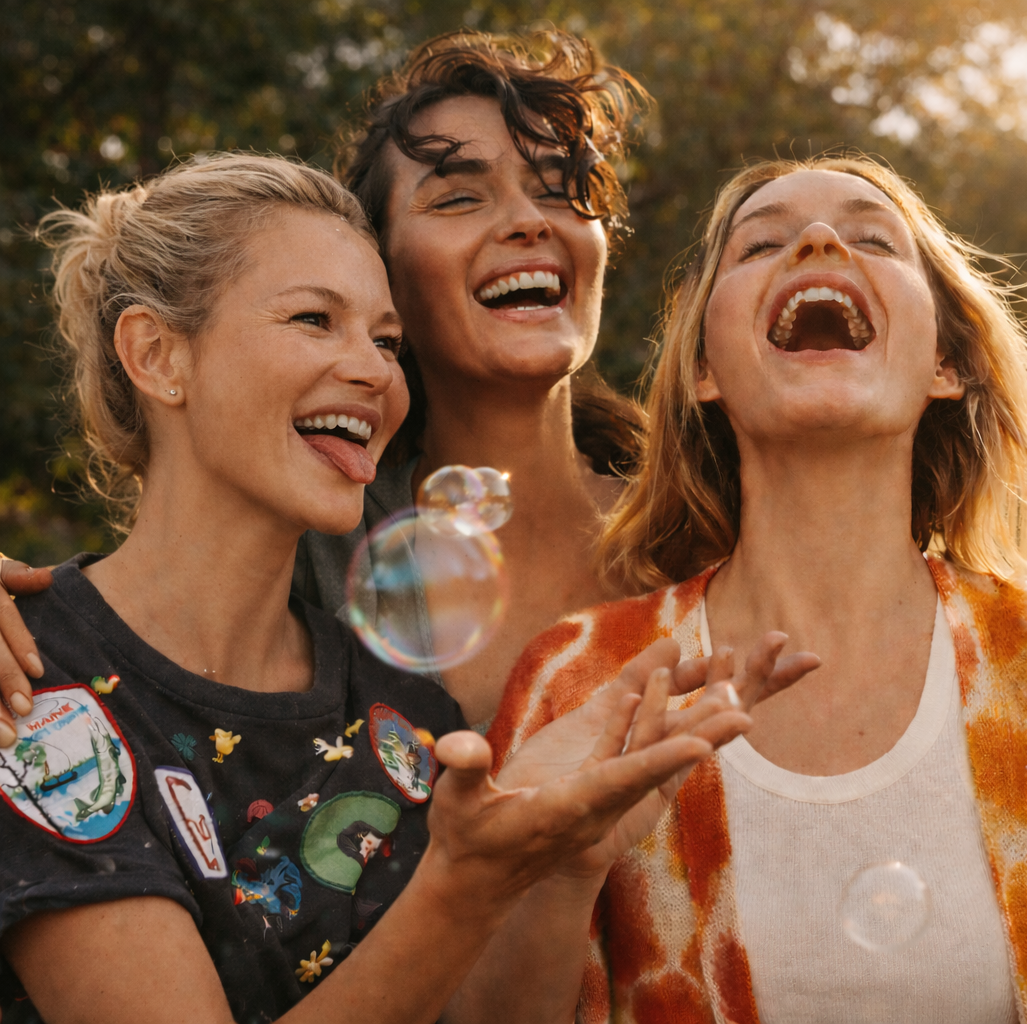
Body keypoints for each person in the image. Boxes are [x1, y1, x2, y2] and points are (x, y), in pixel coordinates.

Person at [0, 153, 805, 1024]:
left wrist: (558, 868)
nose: (376, 373)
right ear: (157, 355)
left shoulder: (408, 720)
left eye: (387, 342)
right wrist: (466, 886)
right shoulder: (28, 684)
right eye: (316, 319)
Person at [487, 156, 1027, 1023]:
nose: (817, 240)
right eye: (760, 243)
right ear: (705, 371)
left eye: (873, 237)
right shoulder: (581, 679)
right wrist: (553, 878)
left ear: (946, 364)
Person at [0, 28, 654, 741]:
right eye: (460, 198)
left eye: (560, 189)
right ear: (382, 268)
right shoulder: (315, 530)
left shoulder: (703, 512)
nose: (528, 221)